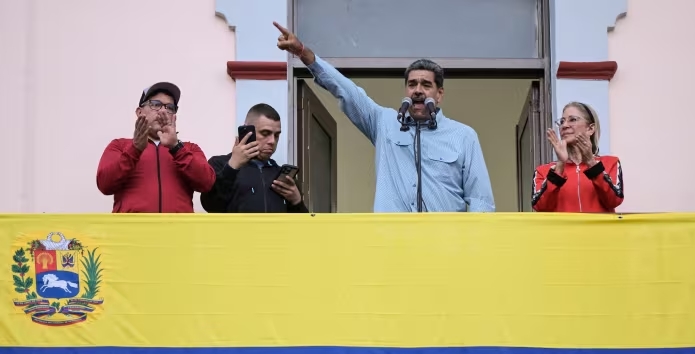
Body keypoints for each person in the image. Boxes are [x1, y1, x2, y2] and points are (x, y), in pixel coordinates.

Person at [272, 22, 494, 213]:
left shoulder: (463, 136)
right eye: (412, 84)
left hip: (445, 246)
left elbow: (481, 200)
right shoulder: (385, 123)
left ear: (440, 94)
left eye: (426, 85)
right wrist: (304, 53)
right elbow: (347, 91)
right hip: (391, 244)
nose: (418, 90)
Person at [96, 82, 215, 213]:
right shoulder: (119, 146)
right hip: (131, 232)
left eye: (170, 107)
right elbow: (104, 185)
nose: (163, 111)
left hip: (178, 232)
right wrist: (134, 150)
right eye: (156, 104)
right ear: (139, 111)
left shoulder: (189, 149)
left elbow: (207, 183)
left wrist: (176, 148)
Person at [200, 104, 308, 213]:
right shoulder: (220, 164)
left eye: (276, 135)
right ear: (247, 131)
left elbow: (303, 226)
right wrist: (232, 167)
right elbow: (210, 205)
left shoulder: (282, 177)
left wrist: (297, 201)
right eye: (265, 133)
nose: (272, 141)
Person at [532, 102, 624, 213]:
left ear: (590, 129)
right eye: (562, 121)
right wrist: (560, 164)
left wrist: (590, 162)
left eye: (572, 120)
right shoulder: (543, 171)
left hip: (600, 231)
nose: (564, 126)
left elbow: (614, 200)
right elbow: (541, 207)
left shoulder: (610, 163)